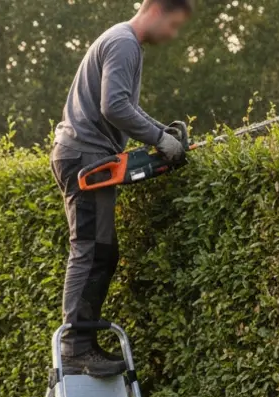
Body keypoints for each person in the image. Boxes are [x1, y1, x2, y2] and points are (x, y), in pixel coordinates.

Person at [51, 0, 194, 377]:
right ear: (158, 10)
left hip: (89, 154)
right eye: (174, 25)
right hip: (85, 155)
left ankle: (81, 342)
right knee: (90, 249)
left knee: (103, 251)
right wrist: (160, 140)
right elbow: (113, 107)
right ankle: (75, 347)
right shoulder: (124, 42)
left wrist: (162, 134)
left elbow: (126, 106)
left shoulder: (123, 42)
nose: (172, 35)